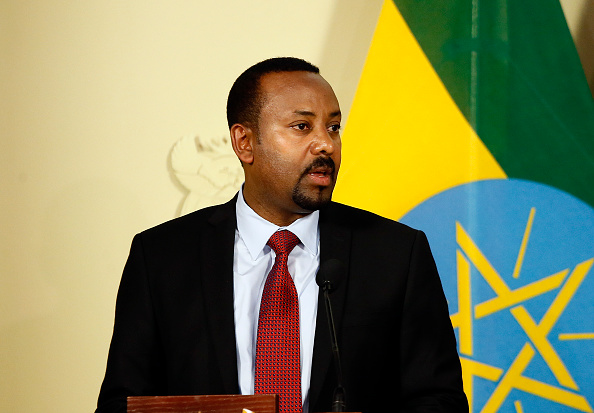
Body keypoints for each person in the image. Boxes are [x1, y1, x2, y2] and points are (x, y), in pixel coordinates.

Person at [96, 57, 468, 413]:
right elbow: (122, 403)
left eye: (334, 127)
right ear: (244, 143)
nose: (326, 144)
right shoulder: (162, 257)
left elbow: (439, 400)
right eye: (302, 126)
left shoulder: (396, 254)